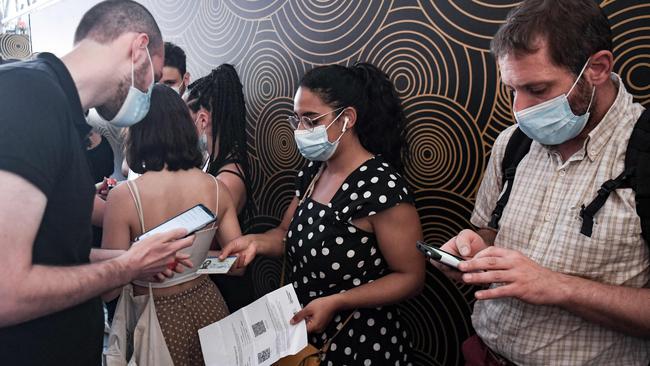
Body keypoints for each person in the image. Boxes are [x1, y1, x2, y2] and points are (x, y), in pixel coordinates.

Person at [433, 1, 650, 365]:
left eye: (537, 88)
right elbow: (491, 230)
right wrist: (475, 247)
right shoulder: (511, 144)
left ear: (596, 68)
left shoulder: (641, 153)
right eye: (512, 89)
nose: (520, 109)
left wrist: (559, 287)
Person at [0, 1, 194, 364]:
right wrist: (127, 267)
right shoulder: (28, 98)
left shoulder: (62, 112)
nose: (149, 96)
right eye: (152, 80)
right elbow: (5, 290)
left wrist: (136, 258)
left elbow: (54, 254)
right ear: (138, 50)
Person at [221, 62, 425, 365]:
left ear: (347, 119)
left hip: (360, 341)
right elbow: (284, 234)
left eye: (311, 120)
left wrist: (339, 301)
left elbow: (411, 277)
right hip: (305, 335)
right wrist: (255, 243)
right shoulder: (314, 171)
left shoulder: (381, 185)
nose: (301, 130)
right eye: (297, 119)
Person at [102, 84, 242, 365]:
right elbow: (238, 264)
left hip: (156, 317)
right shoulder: (216, 188)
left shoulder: (124, 198)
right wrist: (195, 258)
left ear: (138, 132)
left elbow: (110, 288)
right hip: (208, 307)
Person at [185, 64, 256, 311]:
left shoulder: (227, 180)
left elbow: (235, 263)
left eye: (184, 116)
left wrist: (183, 260)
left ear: (202, 119)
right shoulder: (210, 162)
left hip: (226, 297)